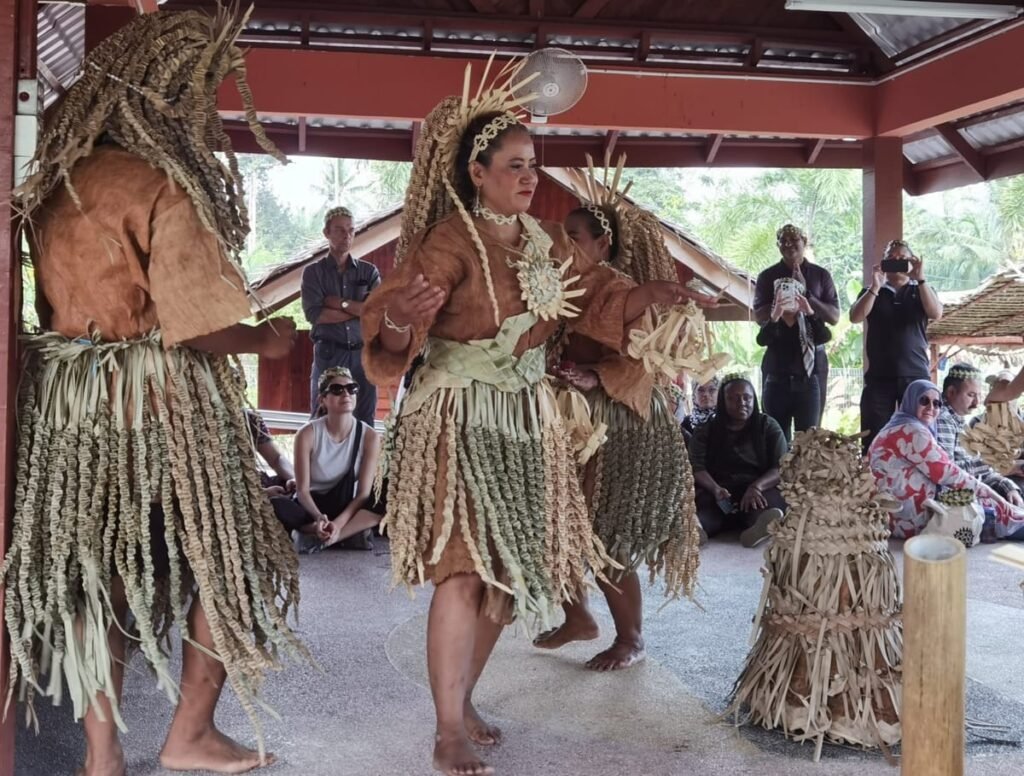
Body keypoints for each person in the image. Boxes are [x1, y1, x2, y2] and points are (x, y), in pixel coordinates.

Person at [359, 65, 714, 776]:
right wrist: (399, 319)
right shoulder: (448, 242)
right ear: (477, 173)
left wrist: (647, 295)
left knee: (503, 573)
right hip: (460, 416)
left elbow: (598, 295)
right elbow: (393, 333)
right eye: (515, 166)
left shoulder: (548, 240)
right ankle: (446, 730)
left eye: (533, 164)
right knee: (462, 570)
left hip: (525, 420)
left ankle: (463, 702)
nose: (528, 177)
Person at [1, 10, 306, 776]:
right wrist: (266, 341)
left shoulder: (56, 182)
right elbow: (196, 327)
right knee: (229, 562)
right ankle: (189, 733)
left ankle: (101, 755)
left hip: (73, 406)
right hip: (158, 406)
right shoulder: (162, 186)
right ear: (169, 100)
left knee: (96, 579)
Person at [531, 194, 704, 671]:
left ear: (603, 244)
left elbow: (643, 358)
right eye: (562, 238)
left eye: (575, 238)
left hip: (622, 426)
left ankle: (631, 638)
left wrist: (598, 376)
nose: (565, 246)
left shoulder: (617, 287)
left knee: (609, 534)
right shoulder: (556, 284)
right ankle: (578, 616)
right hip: (573, 420)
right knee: (558, 520)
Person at [868, 380, 1024, 539]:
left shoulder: (895, 426)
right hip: (912, 521)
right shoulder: (912, 431)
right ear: (911, 401)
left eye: (936, 403)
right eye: (924, 401)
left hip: (891, 519)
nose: (931, 407)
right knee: (1000, 515)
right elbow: (949, 473)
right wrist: (997, 498)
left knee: (997, 504)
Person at [272, 367, 384, 550]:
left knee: (387, 493)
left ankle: (329, 537)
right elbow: (302, 491)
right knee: (276, 506)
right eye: (337, 389)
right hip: (311, 505)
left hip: (345, 505)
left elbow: (362, 494)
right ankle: (322, 530)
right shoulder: (307, 434)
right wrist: (318, 517)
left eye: (352, 388)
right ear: (322, 400)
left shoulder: (369, 436)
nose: (346, 394)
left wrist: (338, 524)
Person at [850, 239, 943, 451]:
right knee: (874, 435)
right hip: (880, 376)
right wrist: (875, 285)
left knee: (920, 433)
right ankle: (874, 470)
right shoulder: (872, 291)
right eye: (891, 258)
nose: (897, 261)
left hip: (915, 373)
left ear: (912, 261)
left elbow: (936, 313)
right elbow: (855, 317)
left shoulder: (922, 289)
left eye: (902, 258)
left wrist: (920, 279)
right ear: (883, 262)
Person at [753, 224, 839, 439]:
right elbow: (759, 317)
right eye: (783, 240)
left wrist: (807, 295)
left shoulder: (820, 275)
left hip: (812, 367)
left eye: (794, 240)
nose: (789, 244)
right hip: (777, 365)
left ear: (804, 242)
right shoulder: (767, 276)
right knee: (775, 436)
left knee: (809, 437)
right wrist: (780, 303)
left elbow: (834, 317)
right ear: (778, 245)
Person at [301, 205, 382, 425]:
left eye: (351, 230)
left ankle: (360, 451)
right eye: (339, 230)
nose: (346, 235)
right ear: (326, 233)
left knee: (364, 419)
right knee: (321, 417)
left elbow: (376, 313)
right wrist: (358, 310)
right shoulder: (313, 273)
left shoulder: (369, 272)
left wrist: (339, 303)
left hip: (362, 354)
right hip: (329, 353)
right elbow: (315, 315)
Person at [690, 375, 789, 547]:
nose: (742, 403)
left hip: (757, 489)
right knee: (704, 506)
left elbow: (781, 466)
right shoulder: (706, 429)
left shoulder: (768, 426)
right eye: (733, 398)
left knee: (770, 502)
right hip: (718, 491)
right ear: (723, 401)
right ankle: (697, 528)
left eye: (747, 398)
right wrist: (715, 489)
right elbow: (696, 467)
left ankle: (759, 527)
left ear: (754, 399)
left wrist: (756, 487)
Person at [935, 364, 1023, 507]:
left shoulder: (958, 420)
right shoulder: (943, 419)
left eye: (979, 396)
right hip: (951, 497)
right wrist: (994, 461)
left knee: (1015, 492)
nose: (977, 403)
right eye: (971, 395)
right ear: (951, 392)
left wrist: (1009, 487)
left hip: (972, 486)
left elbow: (977, 471)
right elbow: (948, 473)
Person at [246, 408, 296, 493]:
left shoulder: (249, 418)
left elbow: (276, 458)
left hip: (255, 483)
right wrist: (264, 493)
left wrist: (295, 479)